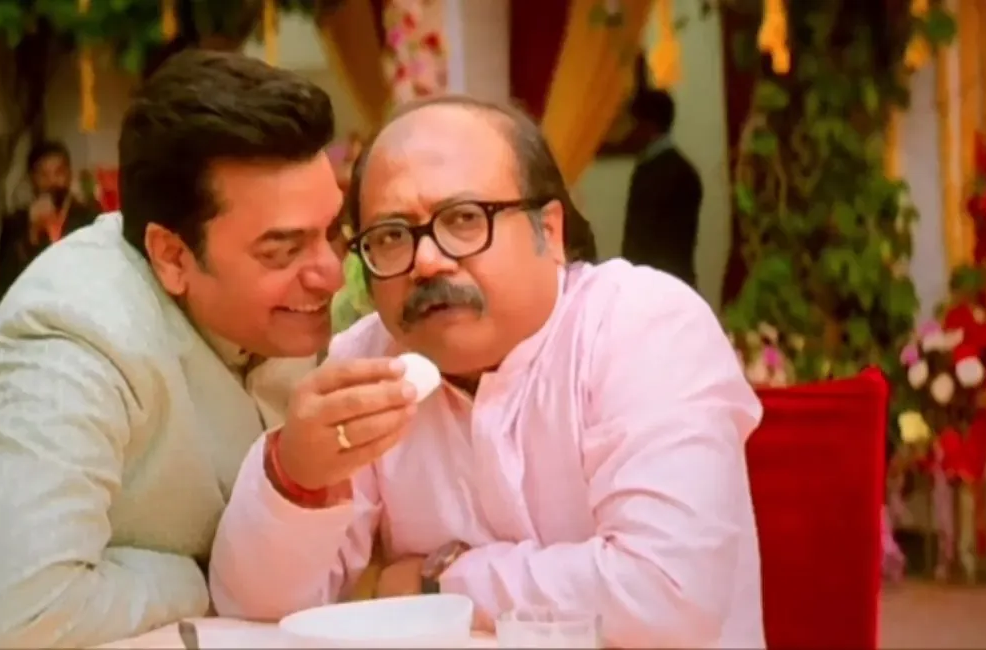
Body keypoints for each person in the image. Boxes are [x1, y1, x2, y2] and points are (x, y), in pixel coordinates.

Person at [208, 96, 766, 648]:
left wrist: (439, 582)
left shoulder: (642, 326)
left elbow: (666, 595)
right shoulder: (369, 361)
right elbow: (253, 612)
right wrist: (296, 477)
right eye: (391, 236)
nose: (426, 261)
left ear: (549, 231)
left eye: (464, 219)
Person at [0, 50, 343, 649]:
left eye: (332, 231)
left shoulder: (295, 315)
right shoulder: (74, 332)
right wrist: (204, 576)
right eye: (283, 251)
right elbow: (16, 614)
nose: (331, 274)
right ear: (172, 256)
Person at [0, 140, 101, 304]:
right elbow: (3, 285)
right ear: (32, 179)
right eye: (44, 175)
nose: (52, 181)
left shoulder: (89, 217)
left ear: (69, 174)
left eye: (59, 173)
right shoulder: (15, 223)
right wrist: (33, 233)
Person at [619, 89, 703, 287]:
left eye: (633, 123)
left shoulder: (658, 172)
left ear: (648, 125)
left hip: (656, 286)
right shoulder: (682, 169)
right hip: (676, 283)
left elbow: (644, 242)